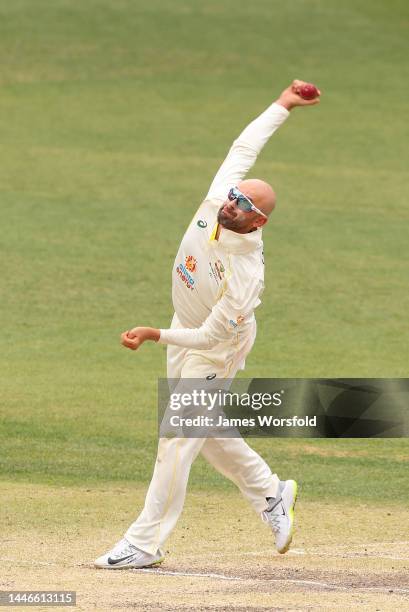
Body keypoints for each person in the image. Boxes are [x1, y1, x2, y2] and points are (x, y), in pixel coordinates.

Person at [94, 80, 320, 570]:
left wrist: (157, 335)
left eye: (243, 206)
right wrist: (283, 105)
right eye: (235, 196)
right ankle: (271, 493)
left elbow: (212, 338)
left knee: (177, 438)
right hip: (185, 324)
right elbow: (245, 147)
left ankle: (144, 542)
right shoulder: (219, 197)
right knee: (203, 429)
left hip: (216, 347)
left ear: (257, 223)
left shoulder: (246, 274)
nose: (231, 204)